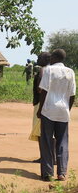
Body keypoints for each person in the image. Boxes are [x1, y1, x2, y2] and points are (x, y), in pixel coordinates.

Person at [37, 49, 75, 181]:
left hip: (48, 110)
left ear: (54, 57)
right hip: (63, 111)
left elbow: (44, 92)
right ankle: (62, 173)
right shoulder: (70, 72)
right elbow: (72, 95)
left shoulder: (48, 70)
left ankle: (48, 173)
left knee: (46, 141)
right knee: (62, 141)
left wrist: (40, 110)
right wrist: (67, 110)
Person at [28, 52, 52, 163]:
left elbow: (40, 88)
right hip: (49, 104)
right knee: (48, 132)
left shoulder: (43, 70)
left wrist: (39, 89)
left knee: (39, 132)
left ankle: (44, 156)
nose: (37, 59)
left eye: (39, 57)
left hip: (40, 104)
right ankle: (52, 156)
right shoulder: (51, 70)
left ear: (46, 59)